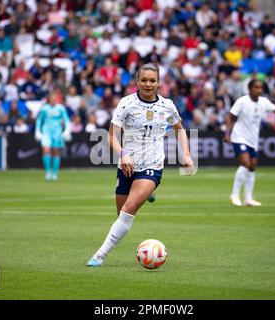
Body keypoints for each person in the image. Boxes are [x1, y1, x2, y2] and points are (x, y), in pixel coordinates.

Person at [87, 63, 194, 267]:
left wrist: (187, 155)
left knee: (128, 209)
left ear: (158, 82)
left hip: (152, 165)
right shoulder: (126, 103)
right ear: (137, 81)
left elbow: (179, 129)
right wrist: (124, 154)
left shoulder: (167, 105)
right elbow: (111, 137)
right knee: (122, 215)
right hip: (126, 165)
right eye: (144, 80)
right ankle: (146, 192)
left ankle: (99, 255)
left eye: (152, 80)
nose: (148, 84)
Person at [224, 79, 275, 207]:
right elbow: (230, 117)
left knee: (252, 167)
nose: (259, 90)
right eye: (256, 87)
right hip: (239, 136)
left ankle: (248, 198)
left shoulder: (263, 102)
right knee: (245, 163)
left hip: (253, 139)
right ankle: (235, 195)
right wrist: (227, 134)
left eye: (260, 87)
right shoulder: (242, 101)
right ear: (250, 89)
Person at [35, 93, 71, 181]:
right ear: (49, 99)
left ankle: (55, 173)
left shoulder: (61, 108)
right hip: (46, 132)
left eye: (55, 99)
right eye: (52, 99)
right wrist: (37, 131)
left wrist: (66, 130)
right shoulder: (44, 108)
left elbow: (67, 120)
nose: (53, 100)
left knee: (56, 151)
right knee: (46, 150)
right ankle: (48, 172)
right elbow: (39, 120)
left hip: (57, 133)